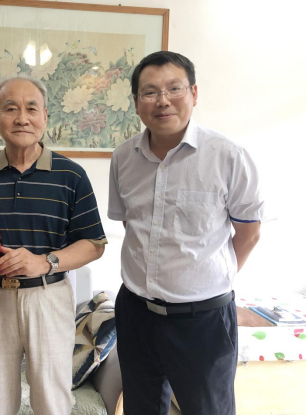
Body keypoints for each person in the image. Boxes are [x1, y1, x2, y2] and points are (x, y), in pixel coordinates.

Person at [108, 51, 264, 415]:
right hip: (136, 312)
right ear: (136, 103)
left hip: (203, 321)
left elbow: (249, 233)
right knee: (140, 408)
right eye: (150, 92)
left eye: (173, 88)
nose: (162, 100)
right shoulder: (123, 158)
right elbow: (132, 224)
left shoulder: (228, 156)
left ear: (193, 93)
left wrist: (206, 279)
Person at [0, 74, 107, 415]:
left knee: (52, 401)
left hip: (48, 296)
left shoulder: (71, 175)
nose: (22, 118)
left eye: (31, 108)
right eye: (11, 108)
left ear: (45, 117)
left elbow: (94, 243)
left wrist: (45, 262)